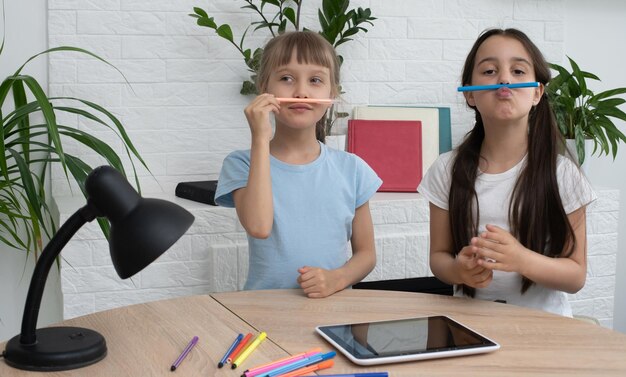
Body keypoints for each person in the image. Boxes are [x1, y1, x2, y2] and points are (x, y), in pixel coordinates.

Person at [418, 28, 596, 316]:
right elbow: (439, 258)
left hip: (545, 329)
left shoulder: (563, 175)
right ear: (469, 94)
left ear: (537, 92)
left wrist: (520, 259)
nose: (504, 79)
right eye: (489, 70)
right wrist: (459, 271)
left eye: (517, 70)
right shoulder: (446, 170)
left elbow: (575, 277)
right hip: (471, 328)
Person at [215, 31, 381, 298]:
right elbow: (259, 226)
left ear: (332, 93)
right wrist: (259, 136)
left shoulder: (353, 169)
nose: (301, 92)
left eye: (315, 80)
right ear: (264, 89)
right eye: (286, 79)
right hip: (262, 311)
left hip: (334, 313)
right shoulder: (241, 163)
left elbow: (367, 255)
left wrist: (336, 279)